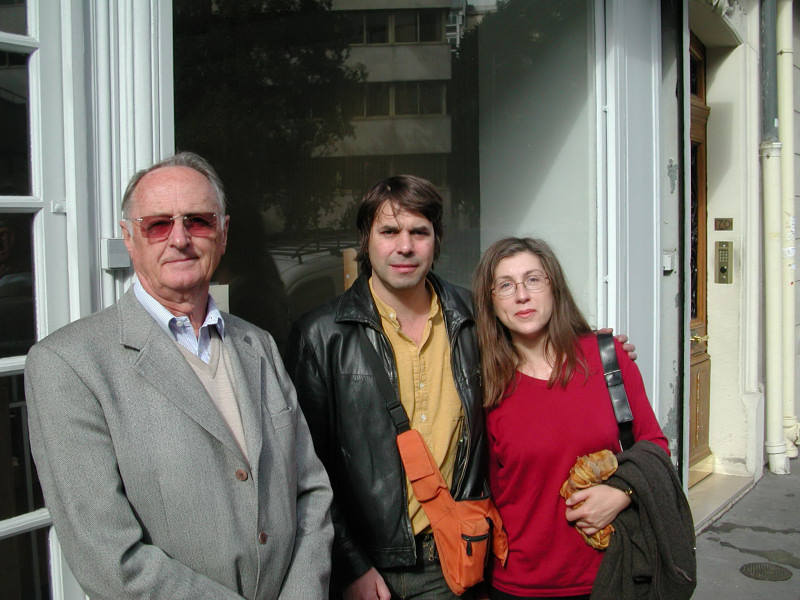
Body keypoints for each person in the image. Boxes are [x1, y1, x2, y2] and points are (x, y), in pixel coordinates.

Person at [285, 178, 635, 600]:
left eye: (419, 232)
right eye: (389, 231)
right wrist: (351, 566)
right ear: (366, 240)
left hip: (461, 557)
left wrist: (597, 349)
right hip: (368, 569)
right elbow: (306, 468)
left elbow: (539, 348)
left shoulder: (474, 318)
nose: (405, 246)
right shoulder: (320, 336)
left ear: (436, 240)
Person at [24, 152, 334, 600]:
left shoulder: (258, 344)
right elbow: (110, 559)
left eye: (199, 221)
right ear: (129, 238)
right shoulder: (68, 365)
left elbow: (311, 491)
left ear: (223, 233)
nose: (180, 239)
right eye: (158, 225)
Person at [472, 237, 694, 600]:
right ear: (491, 302)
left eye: (533, 279)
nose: (522, 296)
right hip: (520, 582)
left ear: (554, 288)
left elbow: (654, 444)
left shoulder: (607, 358)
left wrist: (622, 492)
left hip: (613, 572)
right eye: (506, 286)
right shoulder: (485, 385)